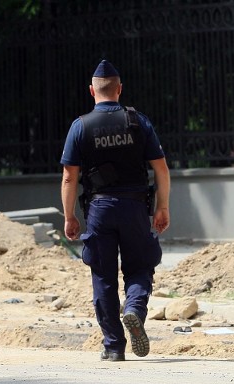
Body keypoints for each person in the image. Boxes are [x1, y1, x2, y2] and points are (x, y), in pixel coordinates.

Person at [60, 59, 171, 361]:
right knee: (139, 266)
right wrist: (162, 206)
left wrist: (69, 216)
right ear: (120, 89)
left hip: (100, 209)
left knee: (103, 276)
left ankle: (113, 345)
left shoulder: (80, 126)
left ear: (91, 91)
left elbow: (70, 176)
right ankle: (134, 309)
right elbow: (160, 168)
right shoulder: (138, 121)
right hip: (135, 207)